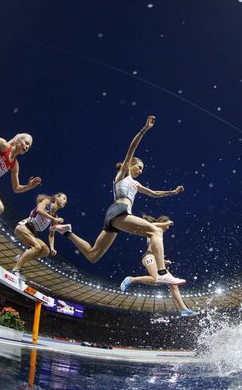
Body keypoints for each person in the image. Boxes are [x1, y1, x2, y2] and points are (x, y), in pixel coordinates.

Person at [59, 116, 185, 285]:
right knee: (155, 232)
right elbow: (131, 149)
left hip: (116, 217)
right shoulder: (123, 174)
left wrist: (172, 192)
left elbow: (154, 193)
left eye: (142, 169)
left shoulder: (136, 183)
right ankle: (162, 272)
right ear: (131, 164)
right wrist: (144, 129)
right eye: (139, 167)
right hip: (119, 210)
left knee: (93, 255)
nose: (141, 171)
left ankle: (67, 232)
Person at [119, 215, 199, 316]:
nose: (168, 227)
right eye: (167, 225)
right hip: (148, 256)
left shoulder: (158, 232)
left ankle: (183, 309)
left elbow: (157, 251)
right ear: (163, 222)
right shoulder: (154, 229)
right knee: (157, 279)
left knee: (173, 283)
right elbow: (151, 225)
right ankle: (131, 279)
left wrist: (164, 261)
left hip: (154, 258)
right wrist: (165, 223)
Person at [12, 193, 69, 280]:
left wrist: (52, 248)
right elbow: (39, 210)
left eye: (66, 200)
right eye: (64, 198)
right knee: (37, 247)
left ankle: (20, 257)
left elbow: (51, 234)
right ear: (57, 197)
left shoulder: (55, 216)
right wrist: (54, 219)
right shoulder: (47, 202)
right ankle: (15, 270)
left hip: (31, 233)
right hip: (23, 227)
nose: (66, 201)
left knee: (46, 251)